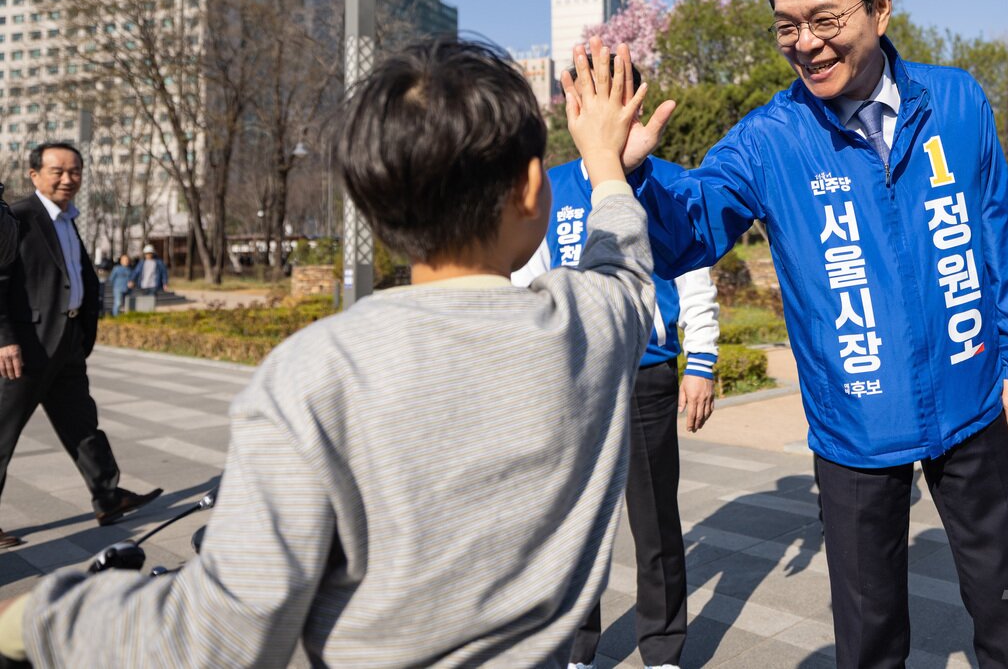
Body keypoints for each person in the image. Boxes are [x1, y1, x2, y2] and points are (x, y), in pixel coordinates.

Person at [0, 36, 665, 667]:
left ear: (374, 207)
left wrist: (45, 615)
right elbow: (624, 266)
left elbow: (216, 635)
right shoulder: (589, 329)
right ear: (529, 187)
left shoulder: (316, 370)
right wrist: (605, 163)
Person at [578, 0, 1008, 668]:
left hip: (970, 401)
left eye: (826, 18)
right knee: (868, 644)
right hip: (854, 429)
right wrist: (630, 175)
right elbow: (690, 226)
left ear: (881, 7)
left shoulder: (957, 104)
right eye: (787, 26)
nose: (807, 42)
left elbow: (999, 234)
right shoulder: (771, 139)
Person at [513, 131, 720, 669]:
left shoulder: (672, 181)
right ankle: (579, 647)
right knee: (573, 523)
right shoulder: (552, 187)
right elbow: (528, 277)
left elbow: (695, 273)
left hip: (647, 372)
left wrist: (700, 360)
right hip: (573, 377)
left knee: (655, 521)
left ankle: (663, 650)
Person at [0, 143, 164, 550]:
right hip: (25, 349)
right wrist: (4, 340)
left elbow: (75, 278)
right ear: (34, 174)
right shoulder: (18, 218)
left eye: (75, 171)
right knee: (1, 436)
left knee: (83, 426)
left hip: (66, 345)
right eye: (57, 171)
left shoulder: (68, 220)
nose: (67, 179)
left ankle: (108, 497)